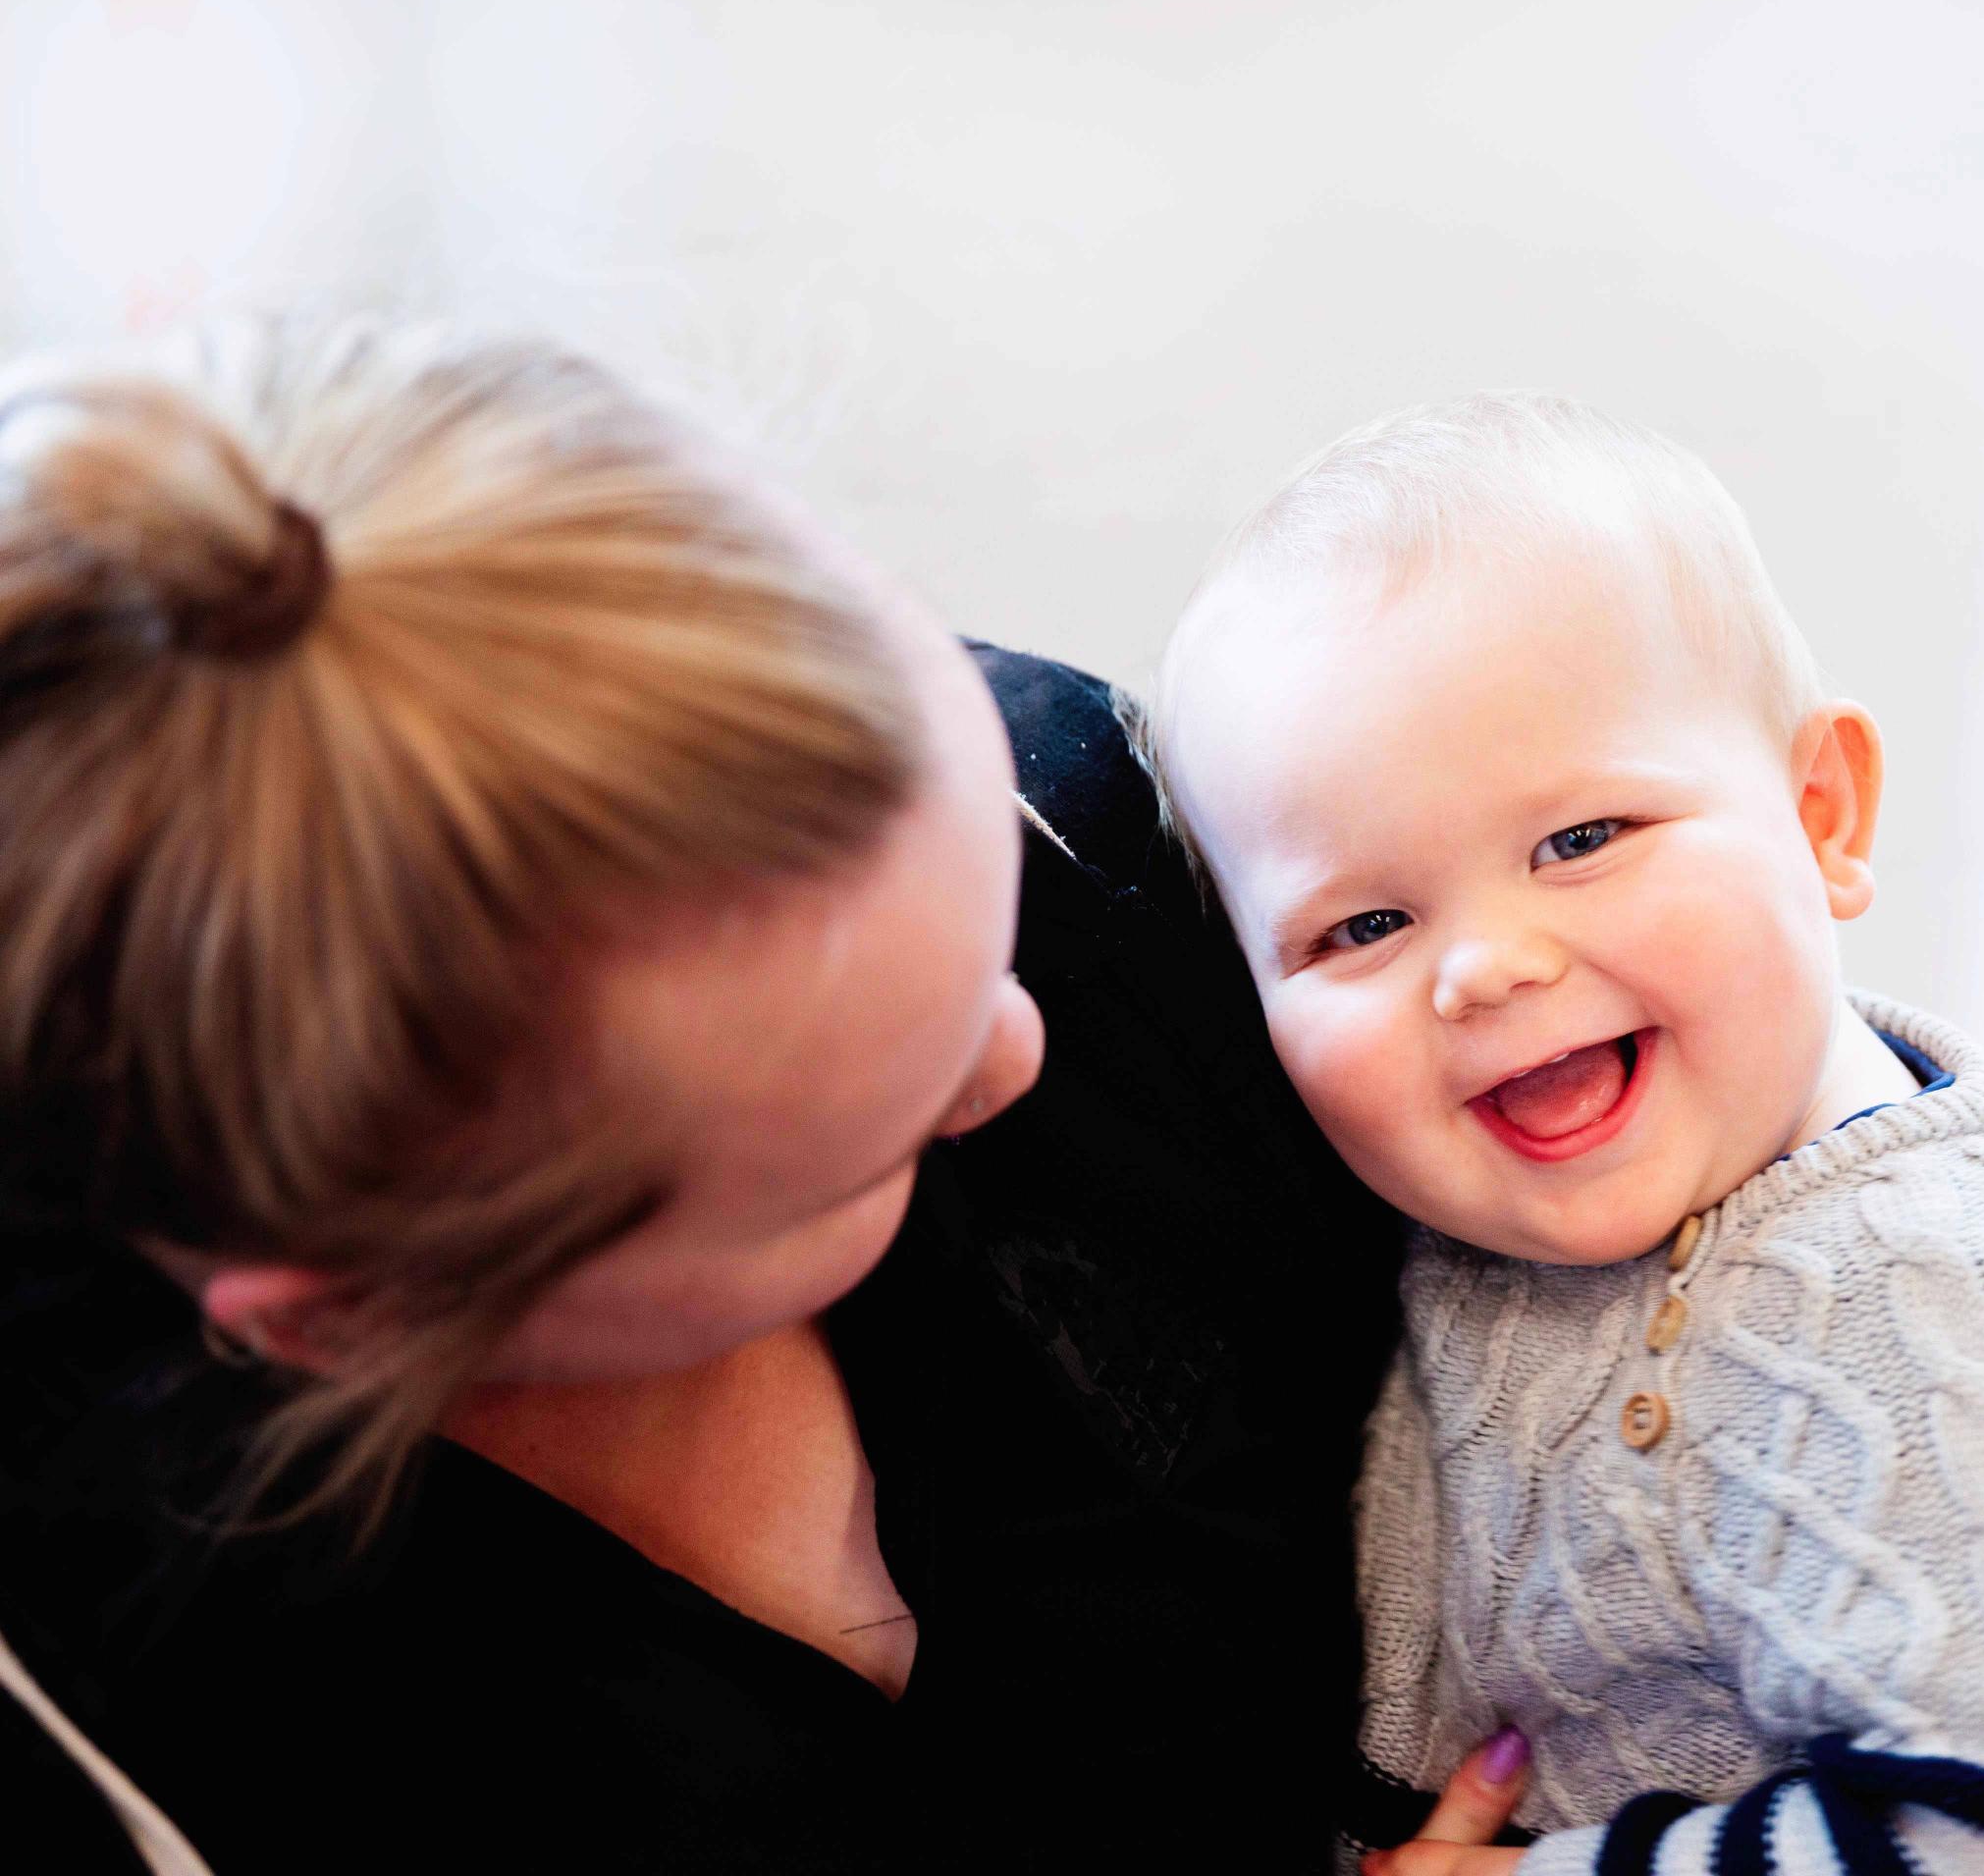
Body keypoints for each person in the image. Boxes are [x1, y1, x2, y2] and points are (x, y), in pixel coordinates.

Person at [0, 320, 1406, 1871]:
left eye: (991, 911)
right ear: (356, 1316)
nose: (1019, 1048)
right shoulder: (134, 1702)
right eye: (865, 1148)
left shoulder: (1088, 818)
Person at [1144, 395, 1984, 1876]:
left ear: (1822, 817)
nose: (1484, 968)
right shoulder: (1443, 1198)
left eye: (1581, 841)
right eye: (1365, 925)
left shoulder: (1929, 1302)